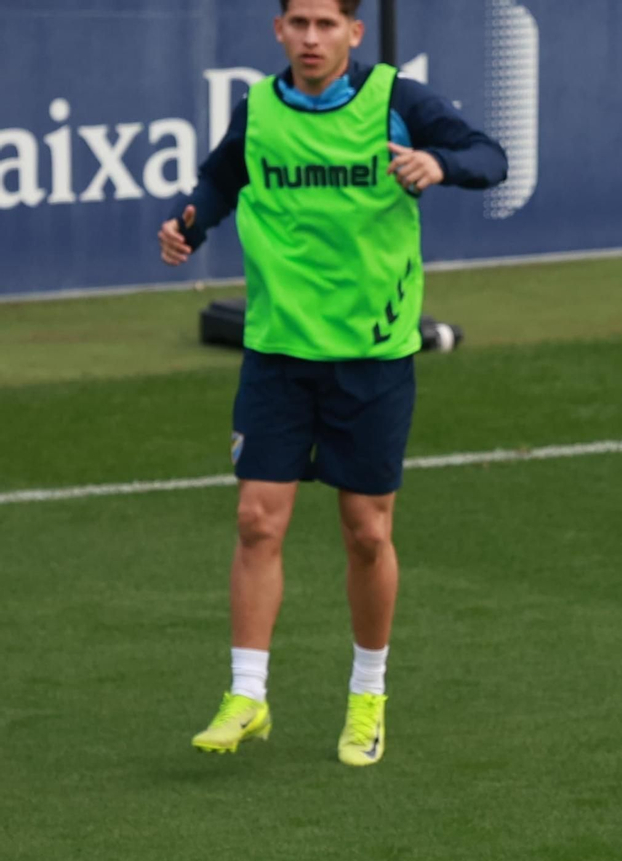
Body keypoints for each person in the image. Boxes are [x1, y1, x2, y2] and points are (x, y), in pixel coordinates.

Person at [158, 0, 506, 765]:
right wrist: (189, 222)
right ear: (278, 31)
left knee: (367, 531)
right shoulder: (259, 111)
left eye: (326, 24)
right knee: (257, 520)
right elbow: (219, 180)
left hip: (372, 357)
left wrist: (437, 164)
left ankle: (368, 695)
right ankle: (247, 695)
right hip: (277, 352)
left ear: (354, 31)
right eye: (298, 23)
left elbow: (492, 158)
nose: (311, 38)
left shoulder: (396, 102)